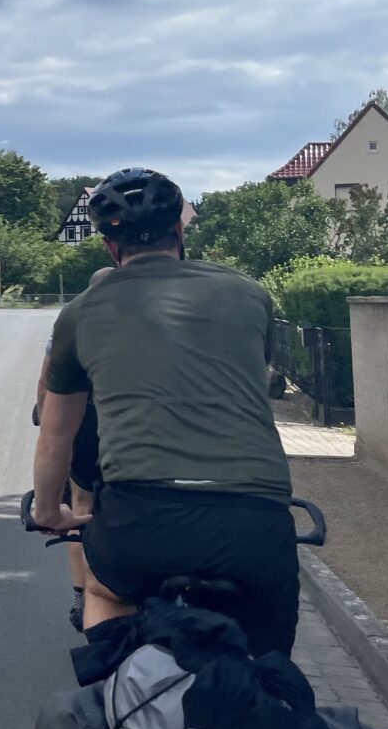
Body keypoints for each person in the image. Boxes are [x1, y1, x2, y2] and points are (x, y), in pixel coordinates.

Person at [30, 167, 300, 656]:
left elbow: (55, 434)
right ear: (179, 230)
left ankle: (114, 696)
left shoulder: (81, 313)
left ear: (110, 248)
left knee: (102, 591)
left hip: (142, 517)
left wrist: (49, 511)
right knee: (268, 658)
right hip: (255, 519)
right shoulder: (249, 293)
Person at [32, 266, 115, 631]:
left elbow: (47, 380)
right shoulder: (142, 318)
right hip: (131, 424)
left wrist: (41, 413)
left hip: (87, 422)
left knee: (80, 504)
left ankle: (81, 593)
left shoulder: (76, 320)